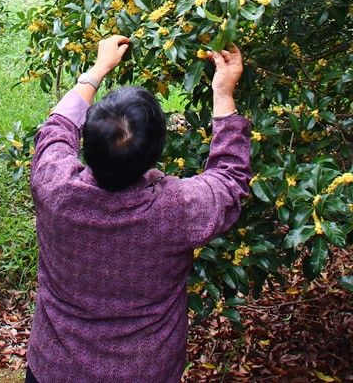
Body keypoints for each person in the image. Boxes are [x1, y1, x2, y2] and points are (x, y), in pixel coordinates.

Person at [25, 36, 252, 383]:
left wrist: (98, 69)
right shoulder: (176, 209)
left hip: (55, 368)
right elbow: (230, 180)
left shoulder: (54, 188)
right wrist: (222, 94)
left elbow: (56, 128)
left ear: (87, 145)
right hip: (145, 371)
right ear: (157, 149)